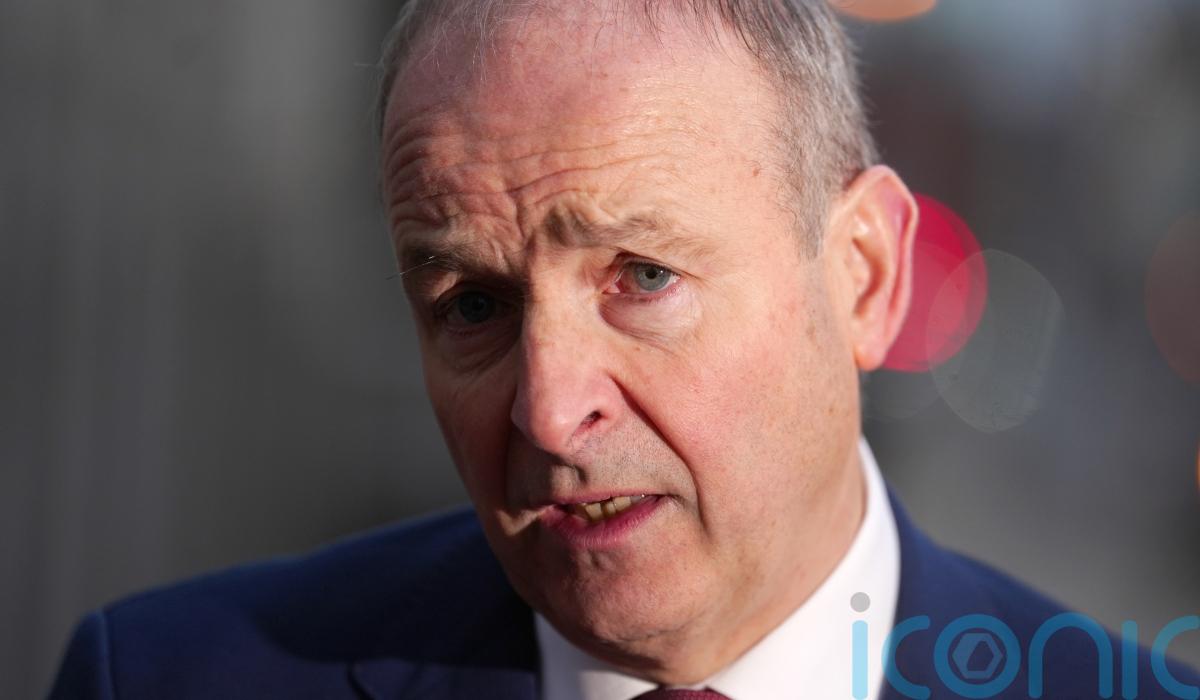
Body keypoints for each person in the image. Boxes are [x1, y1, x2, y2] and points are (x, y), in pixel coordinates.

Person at [49, 1, 1198, 698]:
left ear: (862, 276)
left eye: (642, 278)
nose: (550, 410)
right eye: (473, 304)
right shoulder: (161, 678)